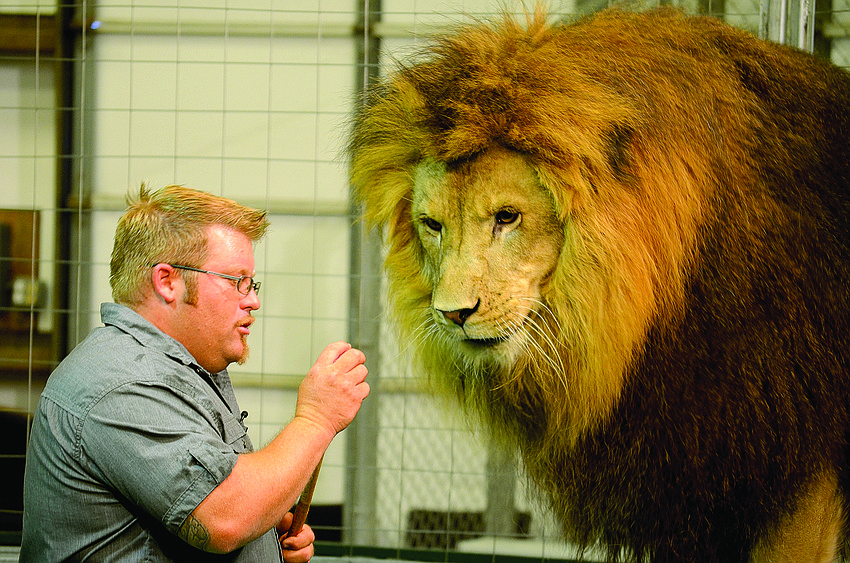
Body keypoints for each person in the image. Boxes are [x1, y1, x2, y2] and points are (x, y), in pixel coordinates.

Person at [20, 184, 370, 562]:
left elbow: (219, 511)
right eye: (236, 281)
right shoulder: (123, 383)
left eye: (251, 283)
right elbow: (225, 518)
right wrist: (316, 419)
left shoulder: (178, 368)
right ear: (167, 281)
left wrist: (265, 538)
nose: (253, 300)